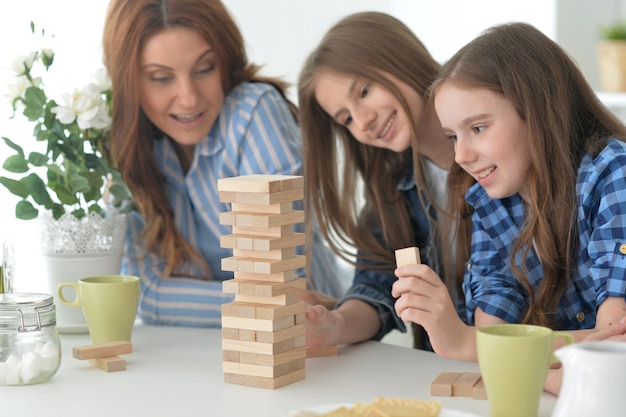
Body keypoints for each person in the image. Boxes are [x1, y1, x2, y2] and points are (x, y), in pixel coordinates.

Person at [392, 22, 626, 363]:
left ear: (537, 110)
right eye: (453, 136)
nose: (461, 156)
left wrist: (467, 343)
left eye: (478, 128)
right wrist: (474, 341)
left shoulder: (612, 172)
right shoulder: (491, 203)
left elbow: (612, 351)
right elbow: (491, 339)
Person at [101, 0, 342, 327]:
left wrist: (186, 299)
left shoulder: (254, 114)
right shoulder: (131, 149)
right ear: (129, 83)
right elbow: (146, 296)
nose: (188, 97)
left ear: (225, 63)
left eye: (204, 69)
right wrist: (253, 303)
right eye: (160, 78)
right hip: (200, 355)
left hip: (308, 348)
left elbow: (281, 290)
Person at [297, 11, 457, 349]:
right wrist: (333, 325)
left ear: (398, 55)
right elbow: (376, 287)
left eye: (365, 91)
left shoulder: (497, 159)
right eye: (347, 118)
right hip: (446, 374)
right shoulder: (392, 189)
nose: (363, 122)